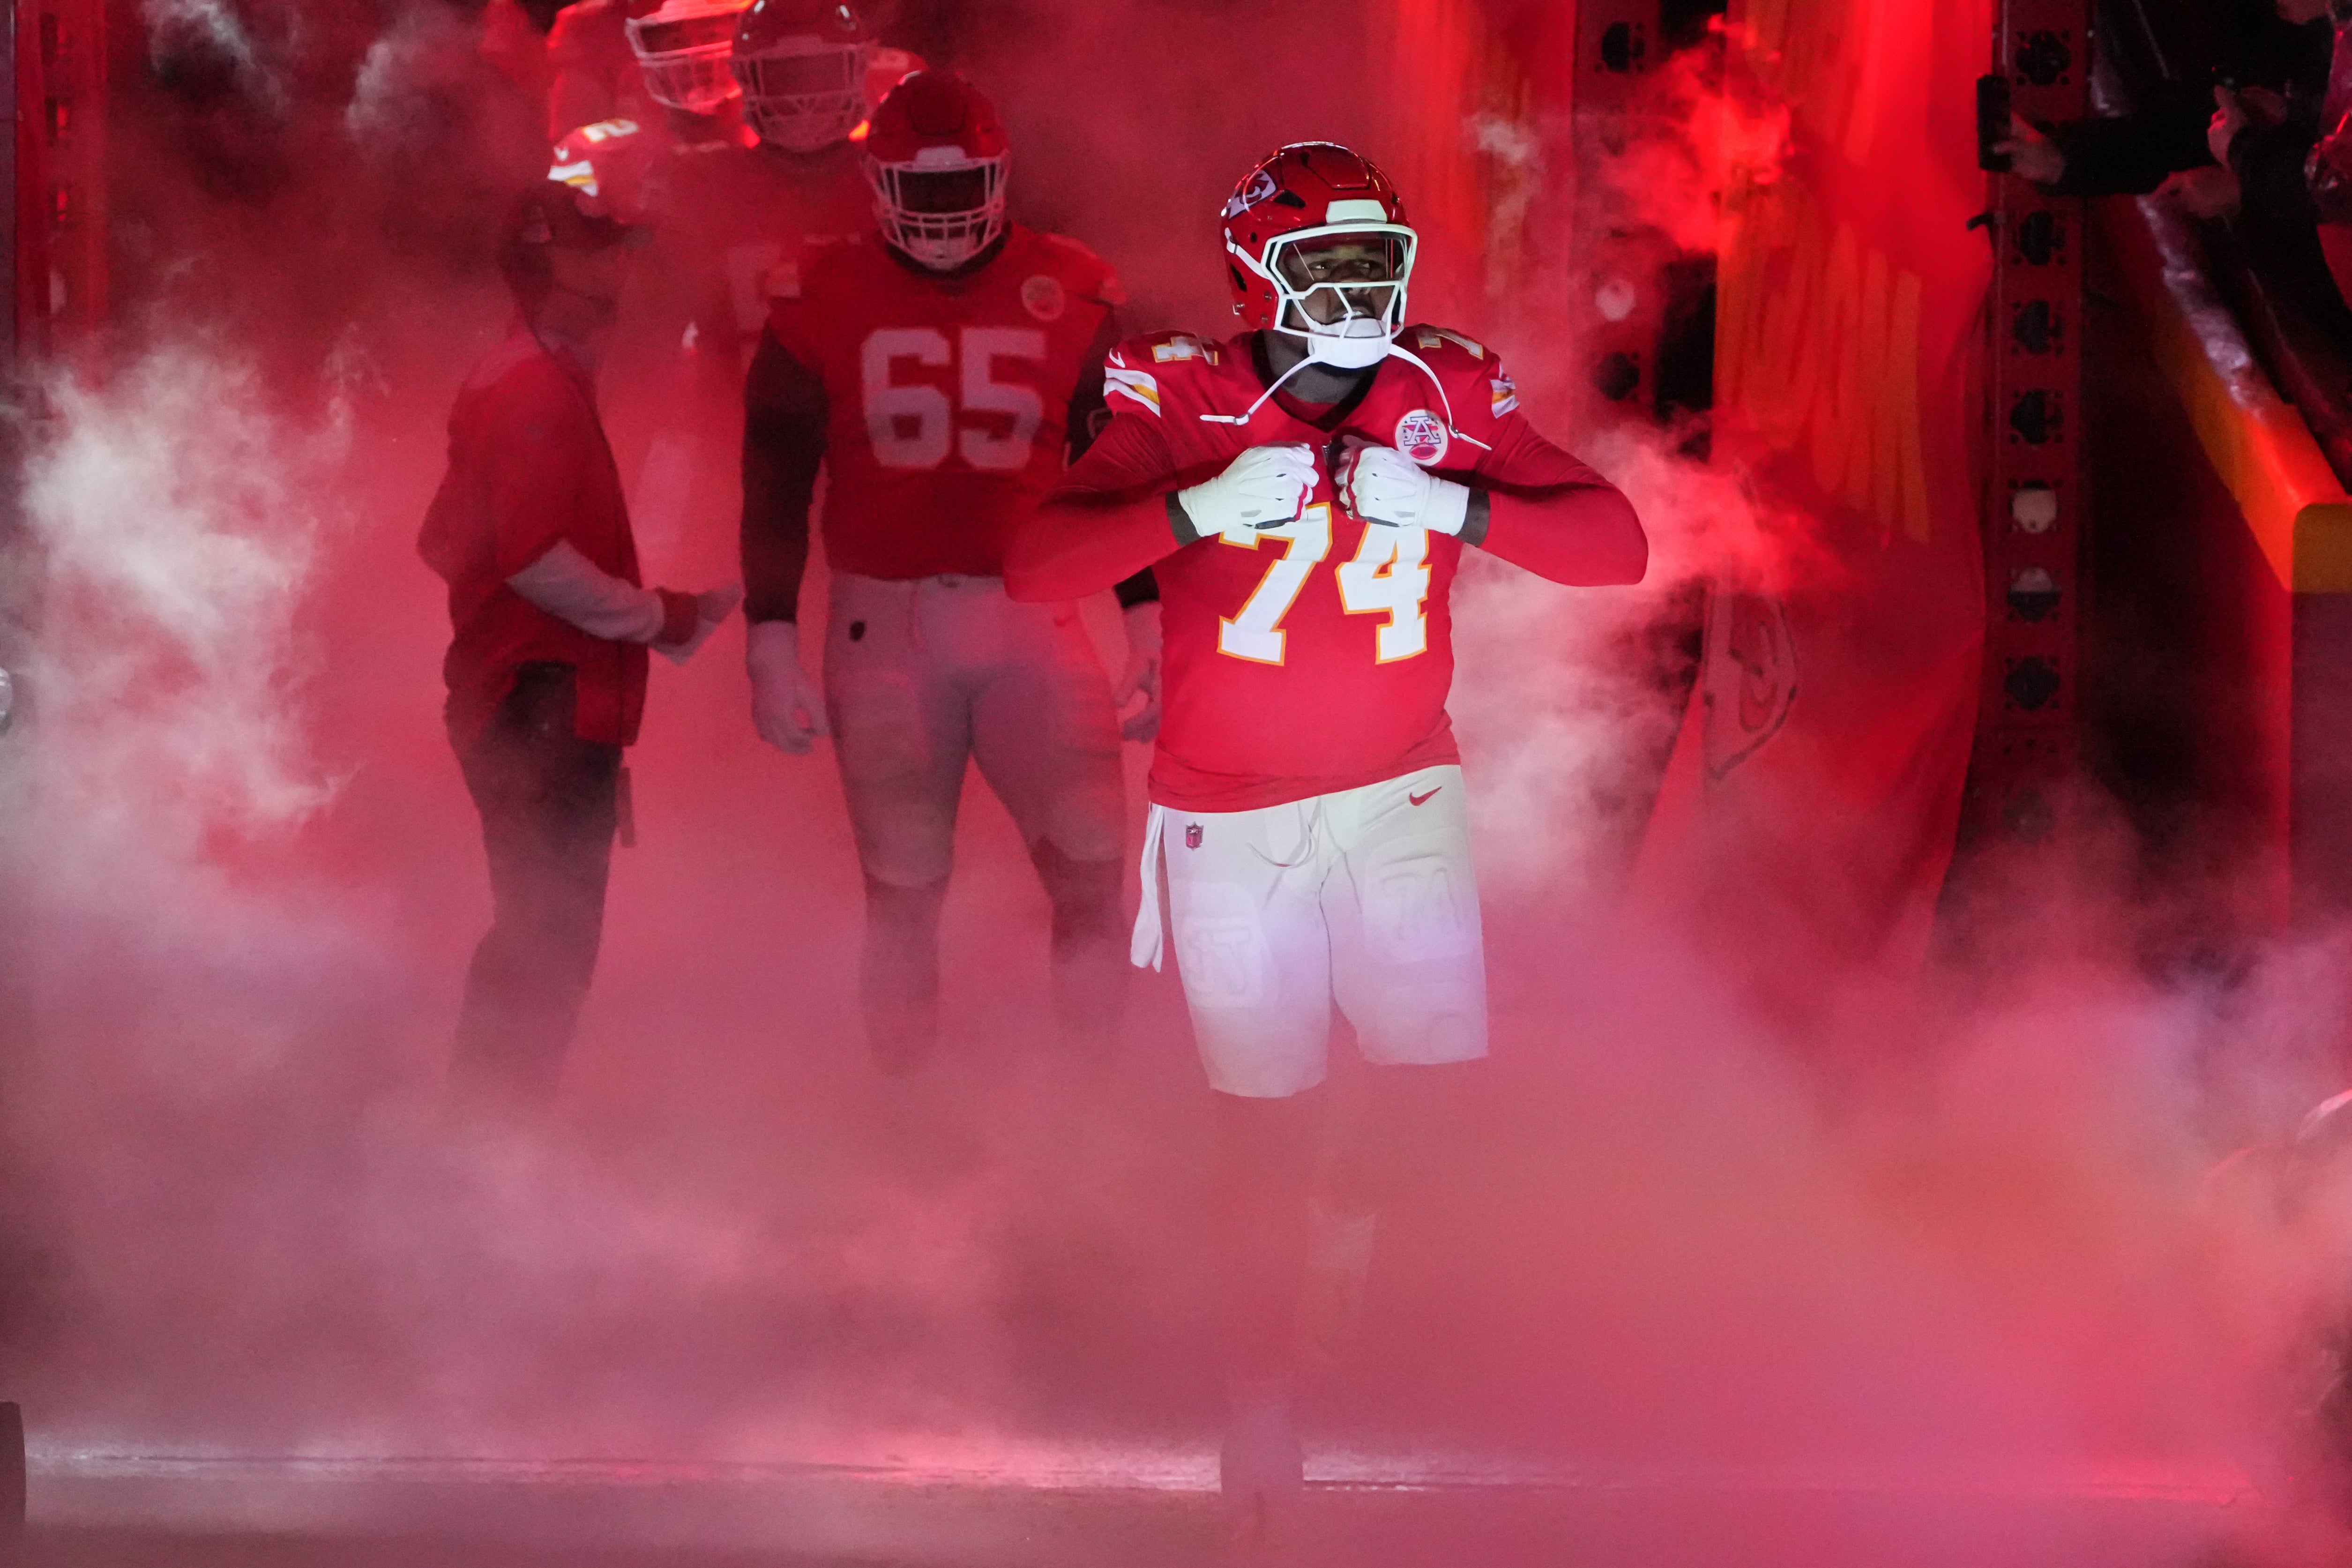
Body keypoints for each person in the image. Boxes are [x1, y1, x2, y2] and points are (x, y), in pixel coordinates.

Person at [1003, 142, 1646, 1543]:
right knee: (1262, 1122)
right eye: (1325, 263)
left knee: (1422, 1096)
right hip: (1227, 813)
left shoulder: (1449, 386)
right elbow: (1036, 564)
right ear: (1256, 271)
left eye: (1374, 261)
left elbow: (1615, 546)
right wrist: (1188, 507)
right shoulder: (1180, 389)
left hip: (1401, 792)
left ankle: (1353, 1279)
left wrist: (1458, 505)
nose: (1356, 290)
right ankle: (1257, 1399)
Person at [740, 69, 1158, 1068]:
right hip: (883, 623)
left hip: (1031, 618)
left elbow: (1118, 465)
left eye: (958, 186)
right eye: (920, 192)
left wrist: (1145, 617)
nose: (941, 213)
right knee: (903, 885)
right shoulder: (816, 296)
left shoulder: (1074, 286)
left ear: (1000, 175)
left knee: (1097, 869)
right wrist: (766, 637)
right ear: (878, 185)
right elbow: (773, 479)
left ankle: (1094, 1100)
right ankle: (910, 1115)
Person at [419, 137, 740, 1108]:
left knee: (541, 929)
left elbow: (446, 541)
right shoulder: (532, 391)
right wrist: (657, 617)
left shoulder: (522, 378)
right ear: (549, 267)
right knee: (547, 936)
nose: (619, 269)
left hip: (531, 697)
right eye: (597, 251)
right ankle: (490, 1142)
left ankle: (491, 1141)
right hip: (541, 703)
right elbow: (527, 555)